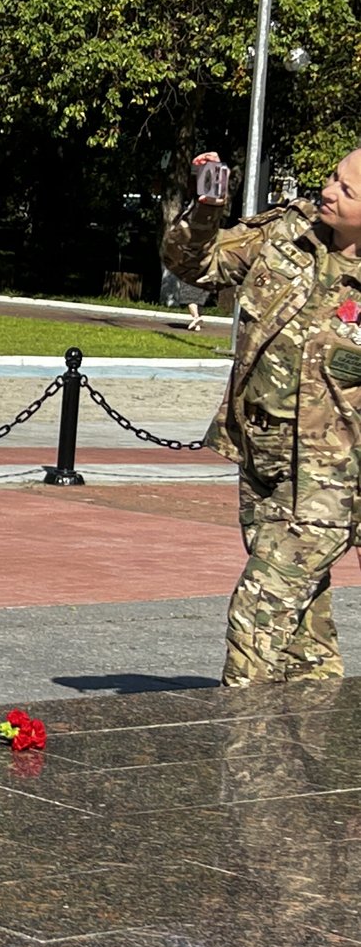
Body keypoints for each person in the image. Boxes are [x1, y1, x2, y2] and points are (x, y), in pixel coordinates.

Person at [162, 147, 361, 687]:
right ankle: (315, 738)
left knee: (257, 611)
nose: (327, 190)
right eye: (331, 178)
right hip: (264, 456)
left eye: (346, 189)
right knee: (302, 638)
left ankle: (246, 749)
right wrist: (206, 209)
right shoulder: (288, 231)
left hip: (334, 480)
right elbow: (195, 265)